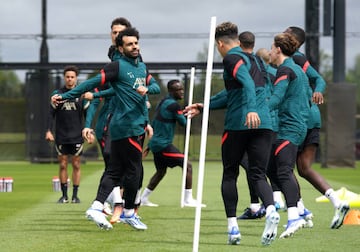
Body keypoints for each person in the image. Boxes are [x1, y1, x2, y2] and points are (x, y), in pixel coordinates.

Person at [52, 27, 160, 230]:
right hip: (126, 127)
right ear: (120, 48)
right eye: (129, 44)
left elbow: (155, 88)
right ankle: (128, 212)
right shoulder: (117, 67)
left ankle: (96, 206)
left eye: (136, 43)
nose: (134, 46)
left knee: (114, 171)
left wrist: (146, 89)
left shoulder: (142, 68)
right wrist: (65, 96)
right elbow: (90, 84)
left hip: (133, 126)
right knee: (134, 170)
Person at [184, 22, 279, 246]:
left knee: (230, 174)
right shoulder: (256, 59)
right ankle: (272, 209)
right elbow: (233, 93)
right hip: (264, 125)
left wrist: (250, 109)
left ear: (220, 44)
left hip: (240, 123)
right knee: (257, 174)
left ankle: (233, 228)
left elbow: (245, 82)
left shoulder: (231, 58)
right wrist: (204, 105)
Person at [285, 26, 350, 229]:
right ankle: (337, 202)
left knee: (283, 166)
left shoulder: (294, 58)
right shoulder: (295, 58)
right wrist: (318, 90)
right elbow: (318, 79)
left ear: (290, 38)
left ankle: (299, 210)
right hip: (312, 118)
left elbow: (318, 80)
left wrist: (319, 90)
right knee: (303, 168)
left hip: (299, 118)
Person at [82, 17, 132, 224]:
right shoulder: (111, 63)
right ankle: (112, 206)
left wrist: (145, 118)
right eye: (114, 32)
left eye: (121, 32)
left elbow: (137, 89)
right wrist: (87, 125)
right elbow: (97, 94)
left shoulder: (134, 62)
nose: (116, 35)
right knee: (113, 162)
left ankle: (115, 205)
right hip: (109, 123)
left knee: (130, 167)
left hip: (130, 121)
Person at [266, 32, 311, 238]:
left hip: (290, 127)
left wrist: (258, 110)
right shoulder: (298, 70)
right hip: (296, 125)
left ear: (278, 49)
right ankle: (300, 211)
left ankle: (294, 217)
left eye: (271, 48)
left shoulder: (285, 69)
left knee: (283, 171)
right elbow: (309, 96)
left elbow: (276, 97)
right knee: (274, 169)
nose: (270, 52)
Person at [140, 79, 202, 207]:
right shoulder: (174, 105)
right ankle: (188, 199)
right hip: (163, 145)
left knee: (161, 171)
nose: (182, 92)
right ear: (171, 91)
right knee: (188, 165)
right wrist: (190, 114)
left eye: (182, 89)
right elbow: (184, 123)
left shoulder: (163, 102)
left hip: (156, 144)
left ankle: (143, 198)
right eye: (178, 90)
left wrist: (150, 145)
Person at [45, 65, 89, 204]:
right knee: (63, 164)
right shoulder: (57, 94)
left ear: (76, 78)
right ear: (65, 78)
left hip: (76, 136)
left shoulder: (81, 95)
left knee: (76, 165)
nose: (70, 79)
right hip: (61, 136)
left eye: (72, 77)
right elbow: (50, 114)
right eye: (68, 77)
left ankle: (75, 196)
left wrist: (89, 130)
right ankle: (64, 196)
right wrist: (48, 130)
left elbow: (88, 115)